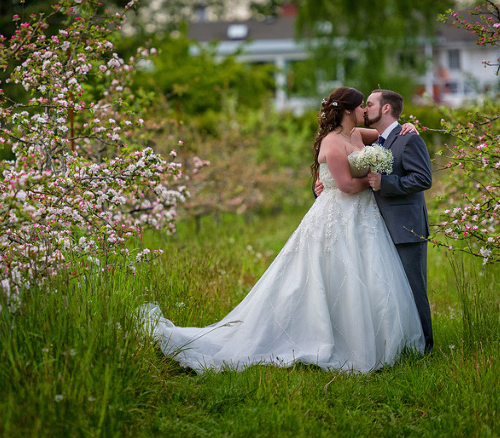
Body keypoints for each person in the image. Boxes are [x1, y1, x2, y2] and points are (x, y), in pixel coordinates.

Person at [140, 87, 425, 374]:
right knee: (328, 276)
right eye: (362, 106)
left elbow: (385, 138)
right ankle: (327, 338)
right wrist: (373, 181)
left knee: (369, 274)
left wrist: (408, 126)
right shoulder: (332, 143)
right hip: (338, 214)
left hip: (363, 217)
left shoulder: (359, 135)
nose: (365, 110)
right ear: (349, 110)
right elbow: (348, 186)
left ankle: (379, 337)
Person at [363, 89, 434, 353]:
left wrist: (386, 183)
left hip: (406, 227)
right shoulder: (372, 143)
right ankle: (400, 343)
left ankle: (425, 347)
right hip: (377, 228)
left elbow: (423, 179)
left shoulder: (409, 139)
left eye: (369, 104)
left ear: (385, 109)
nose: (364, 109)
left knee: (414, 288)